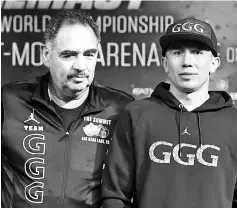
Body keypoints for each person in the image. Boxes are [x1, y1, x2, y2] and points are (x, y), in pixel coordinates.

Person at [1, 9, 134, 208]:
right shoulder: (10, 101)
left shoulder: (120, 108)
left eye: (90, 54)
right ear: (46, 55)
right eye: (69, 55)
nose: (81, 65)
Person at [101, 17, 237, 208]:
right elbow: (115, 196)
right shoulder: (137, 114)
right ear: (165, 63)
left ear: (214, 63)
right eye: (177, 52)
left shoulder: (233, 123)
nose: (187, 62)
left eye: (197, 52)